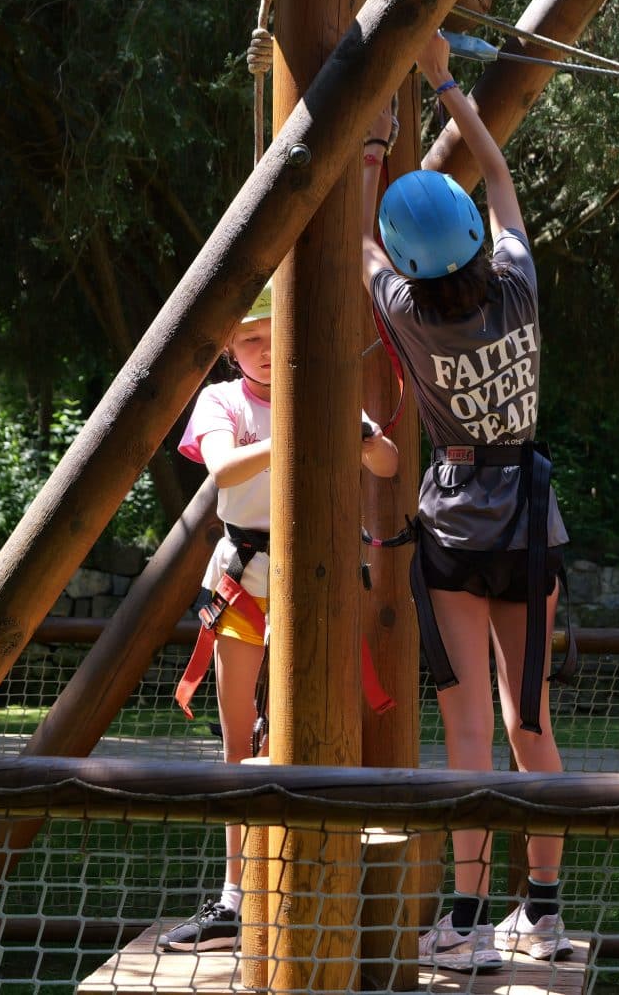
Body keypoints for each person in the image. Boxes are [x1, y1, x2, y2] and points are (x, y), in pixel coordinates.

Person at [360, 32, 573, 973]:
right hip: (530, 523)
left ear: (413, 261)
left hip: (455, 525)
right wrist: (445, 79)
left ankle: (468, 923)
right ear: (476, 240)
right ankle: (545, 912)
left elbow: (358, 243)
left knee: (470, 732)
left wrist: (372, 150)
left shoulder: (407, 312)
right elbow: (499, 176)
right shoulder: (518, 284)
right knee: (531, 721)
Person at [158, 282, 399, 952]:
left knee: (320, 730)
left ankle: (319, 883)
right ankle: (234, 896)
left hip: (317, 582)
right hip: (245, 582)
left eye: (274, 335)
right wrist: (299, 425)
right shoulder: (222, 401)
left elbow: (387, 462)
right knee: (238, 739)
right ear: (230, 349)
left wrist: (359, 432)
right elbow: (224, 470)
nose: (264, 350)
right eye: (250, 339)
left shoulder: (324, 394)